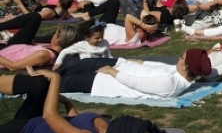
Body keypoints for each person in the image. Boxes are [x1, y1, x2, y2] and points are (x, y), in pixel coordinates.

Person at [0, 67, 163, 133]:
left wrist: (56, 79)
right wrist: (66, 102)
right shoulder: (106, 125)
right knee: (39, 84)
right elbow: (75, 121)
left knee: (47, 83)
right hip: (30, 123)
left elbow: (50, 115)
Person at [57, 48, 212, 99]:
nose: (178, 58)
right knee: (84, 63)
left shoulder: (171, 83)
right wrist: (137, 61)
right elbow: (156, 65)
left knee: (62, 83)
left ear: (186, 67)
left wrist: (111, 71)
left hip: (104, 82)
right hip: (121, 65)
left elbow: (134, 82)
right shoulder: (178, 72)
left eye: (181, 57)